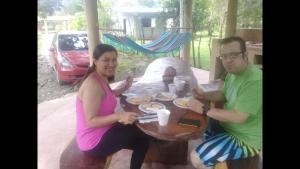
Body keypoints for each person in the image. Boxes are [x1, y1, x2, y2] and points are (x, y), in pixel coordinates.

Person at [188, 37, 262, 169]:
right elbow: (223, 94)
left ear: (245, 55)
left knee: (196, 157)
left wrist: (204, 109)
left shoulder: (255, 80)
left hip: (246, 139)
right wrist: (204, 95)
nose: (228, 60)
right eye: (224, 56)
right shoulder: (232, 74)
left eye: (233, 55)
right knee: (200, 131)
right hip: (227, 127)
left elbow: (239, 116)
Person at [75, 44, 150, 169]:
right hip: (93, 141)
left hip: (105, 129)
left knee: (141, 135)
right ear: (95, 61)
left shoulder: (100, 77)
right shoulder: (92, 85)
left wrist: (125, 87)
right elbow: (91, 121)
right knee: (143, 134)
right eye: (106, 60)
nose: (111, 64)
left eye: (114, 60)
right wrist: (119, 116)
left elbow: (108, 94)